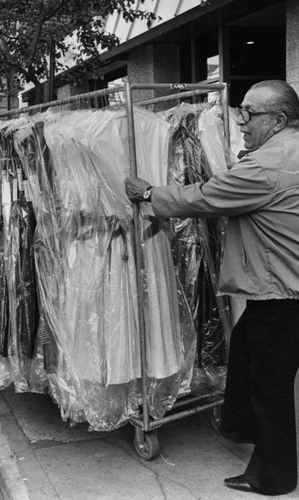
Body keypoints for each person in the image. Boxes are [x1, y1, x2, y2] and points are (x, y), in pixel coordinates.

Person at [125, 80, 299, 496]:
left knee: (268, 386)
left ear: (278, 120)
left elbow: (207, 197)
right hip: (281, 290)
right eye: (240, 111)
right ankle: (239, 427)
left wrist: (150, 193)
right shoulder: (285, 152)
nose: (240, 121)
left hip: (281, 294)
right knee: (244, 352)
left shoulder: (266, 164)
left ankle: (273, 477)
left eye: (249, 114)